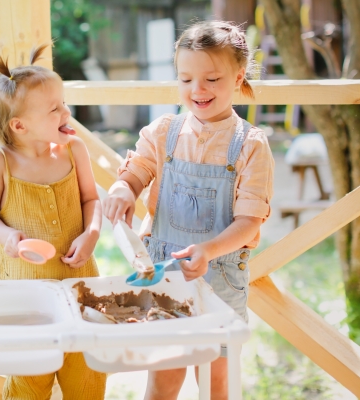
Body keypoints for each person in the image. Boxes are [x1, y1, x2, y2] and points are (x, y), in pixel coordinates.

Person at [102, 20, 274, 400]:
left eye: (212, 79)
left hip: (220, 284)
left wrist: (209, 250)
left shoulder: (251, 146)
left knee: (216, 382)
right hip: (166, 282)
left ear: (238, 76)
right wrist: (122, 190)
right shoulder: (164, 132)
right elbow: (136, 172)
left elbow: (249, 222)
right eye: (186, 79)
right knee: (163, 380)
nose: (197, 89)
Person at [0, 44, 106, 399]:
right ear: (19, 125)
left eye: (63, 102)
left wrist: (92, 232)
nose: (66, 111)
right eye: (54, 109)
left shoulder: (74, 150)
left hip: (80, 291)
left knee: (87, 377)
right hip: (25, 301)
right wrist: (8, 237)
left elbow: (91, 200)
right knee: (28, 383)